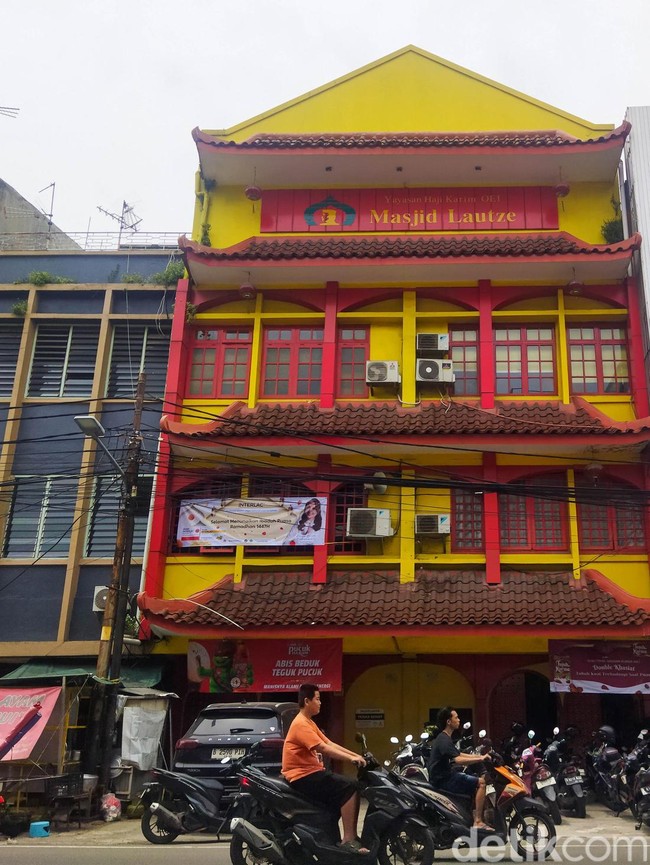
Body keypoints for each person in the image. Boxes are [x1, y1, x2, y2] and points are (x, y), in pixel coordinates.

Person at [282, 683, 369, 853]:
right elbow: (322, 748)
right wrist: (351, 758)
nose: (320, 703)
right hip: (302, 776)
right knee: (351, 787)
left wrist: (355, 755)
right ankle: (349, 840)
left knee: (336, 797)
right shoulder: (301, 724)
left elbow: (329, 742)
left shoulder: (308, 722)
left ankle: (331, 842)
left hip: (311, 773)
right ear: (307, 701)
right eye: (318, 699)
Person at [427, 706, 492, 830]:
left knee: (472, 779)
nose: (459, 720)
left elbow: (458, 753)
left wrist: (480, 756)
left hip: (444, 776)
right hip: (443, 779)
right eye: (456, 717)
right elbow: (459, 760)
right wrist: (481, 759)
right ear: (448, 721)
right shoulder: (444, 739)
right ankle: (478, 821)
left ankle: (468, 816)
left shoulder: (444, 738)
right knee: (481, 783)